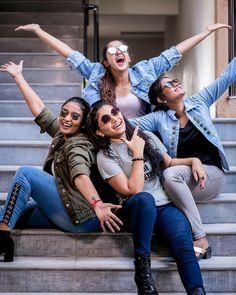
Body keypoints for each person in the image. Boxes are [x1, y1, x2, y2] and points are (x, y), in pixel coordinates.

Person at [0, 61, 122, 262]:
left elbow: (80, 174)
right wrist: (18, 77)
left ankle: (3, 238)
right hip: (70, 207)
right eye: (64, 113)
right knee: (9, 211)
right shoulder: (63, 133)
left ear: (83, 124)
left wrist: (98, 204)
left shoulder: (78, 144)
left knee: (25, 173)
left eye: (75, 116)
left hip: (83, 217)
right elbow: (40, 109)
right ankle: (4, 226)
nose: (66, 119)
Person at [87, 101, 206, 295]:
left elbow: (169, 162)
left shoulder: (147, 136)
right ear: (100, 132)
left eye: (115, 112)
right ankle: (142, 272)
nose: (114, 119)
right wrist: (137, 154)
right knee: (144, 199)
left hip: (165, 206)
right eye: (105, 119)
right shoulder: (105, 156)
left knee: (184, 248)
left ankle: (197, 291)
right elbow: (133, 189)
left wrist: (194, 160)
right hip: (136, 209)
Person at [131, 57, 236, 258]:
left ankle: (200, 238)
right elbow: (125, 124)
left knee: (170, 176)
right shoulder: (158, 118)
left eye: (175, 80)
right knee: (164, 180)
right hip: (183, 176)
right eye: (169, 84)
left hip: (210, 176)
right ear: (161, 99)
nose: (176, 83)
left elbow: (227, 77)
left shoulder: (199, 101)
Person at [15, 23, 231, 118]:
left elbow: (173, 52)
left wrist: (206, 33)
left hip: (142, 136)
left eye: (123, 49)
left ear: (128, 57)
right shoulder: (96, 73)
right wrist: (38, 30)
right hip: (108, 137)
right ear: (107, 62)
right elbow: (69, 53)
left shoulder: (145, 70)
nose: (119, 52)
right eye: (112, 51)